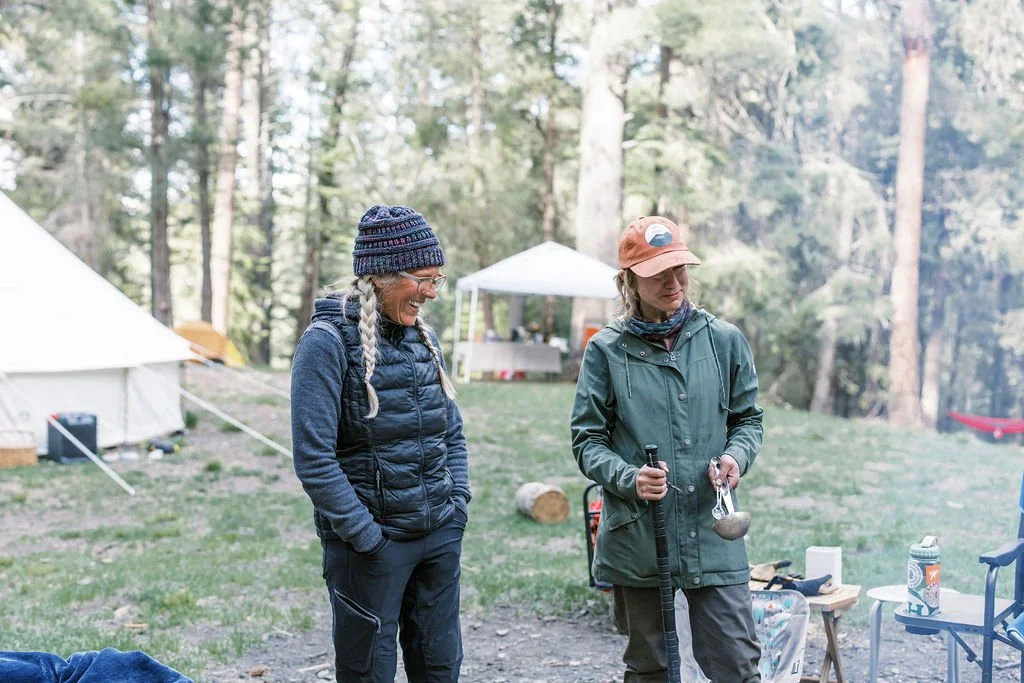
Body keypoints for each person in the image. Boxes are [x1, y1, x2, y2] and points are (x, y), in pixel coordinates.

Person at [570, 215, 764, 682]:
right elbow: (587, 441)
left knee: (737, 663)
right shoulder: (607, 350)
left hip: (712, 529)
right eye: (658, 273)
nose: (673, 282)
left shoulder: (723, 341)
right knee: (650, 668)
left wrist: (735, 456)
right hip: (639, 534)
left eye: (679, 268)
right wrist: (629, 478)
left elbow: (748, 420)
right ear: (629, 281)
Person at [291, 204, 471, 683]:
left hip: (438, 534)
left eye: (438, 279)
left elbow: (451, 431)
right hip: (371, 547)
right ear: (381, 276)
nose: (432, 292)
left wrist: (456, 507)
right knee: (368, 672)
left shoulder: (424, 340)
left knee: (441, 669)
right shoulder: (326, 343)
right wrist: (367, 538)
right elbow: (313, 459)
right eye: (424, 279)